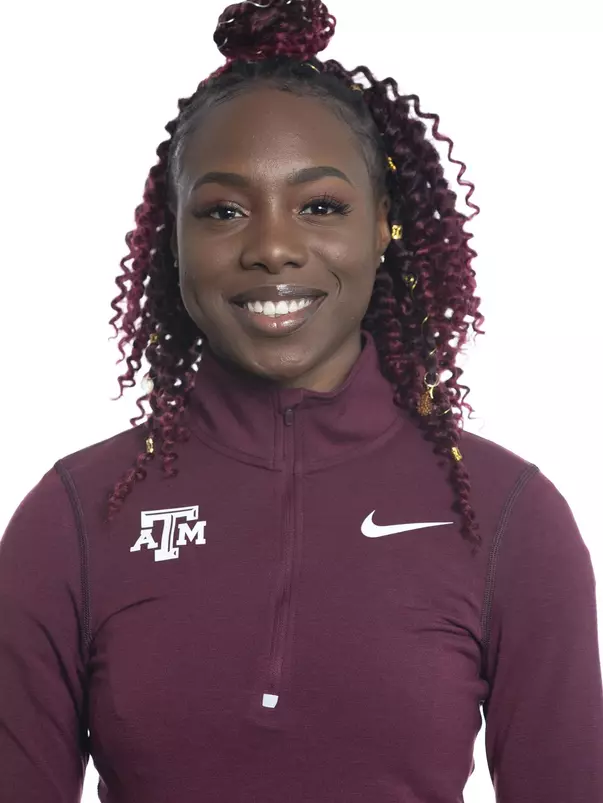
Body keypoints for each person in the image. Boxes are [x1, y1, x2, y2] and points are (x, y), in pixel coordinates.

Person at [1, 0, 602, 800]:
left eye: (320, 206)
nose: (272, 246)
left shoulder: (505, 514)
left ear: (383, 225)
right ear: (172, 242)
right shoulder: (74, 515)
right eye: (222, 210)